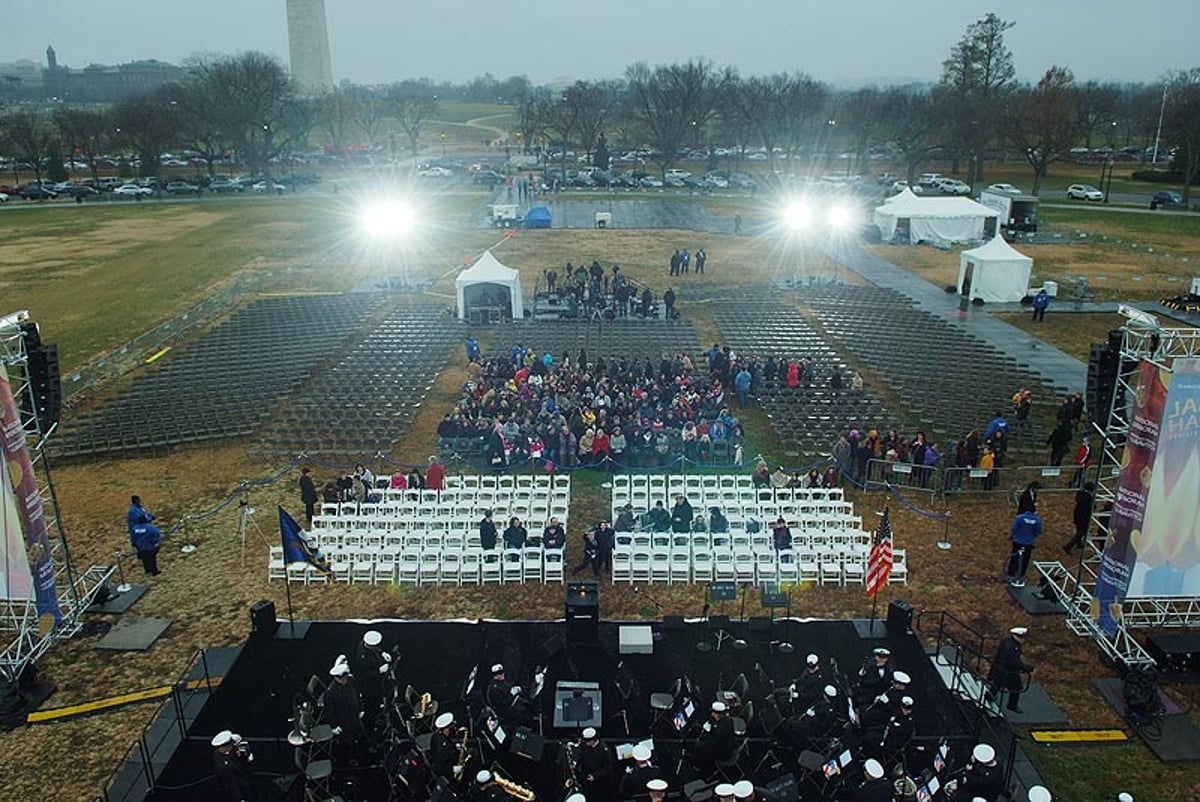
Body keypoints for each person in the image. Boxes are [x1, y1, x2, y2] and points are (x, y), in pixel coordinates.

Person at [321, 656, 362, 763]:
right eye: (342, 679)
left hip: (354, 714)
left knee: (358, 734)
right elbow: (329, 711)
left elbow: (357, 695)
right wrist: (334, 726)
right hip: (343, 721)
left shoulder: (351, 681)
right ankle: (349, 759)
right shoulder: (330, 693)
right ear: (336, 678)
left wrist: (361, 708)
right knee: (346, 742)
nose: (345, 680)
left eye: (345, 678)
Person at [987, 627, 1033, 713]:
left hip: (1001, 668)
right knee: (1016, 687)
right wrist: (1026, 668)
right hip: (1008, 671)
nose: (1023, 640)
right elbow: (1014, 662)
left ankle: (989, 696)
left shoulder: (1007, 641)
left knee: (997, 684)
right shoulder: (1012, 648)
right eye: (1021, 637)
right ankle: (1012, 705)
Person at [351, 630, 393, 722]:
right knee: (372, 704)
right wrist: (379, 670)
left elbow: (376, 649)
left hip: (376, 682)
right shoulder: (363, 657)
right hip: (369, 686)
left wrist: (382, 653)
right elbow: (365, 675)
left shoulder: (364, 643)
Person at [691, 701, 737, 775]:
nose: (712, 714)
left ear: (718, 715)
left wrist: (699, 743)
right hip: (728, 746)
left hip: (723, 754)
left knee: (700, 748)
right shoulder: (729, 720)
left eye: (713, 713)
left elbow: (711, 743)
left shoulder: (718, 730)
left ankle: (698, 767)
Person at [211, 730, 256, 802]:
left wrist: (246, 754)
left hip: (247, 783)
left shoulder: (231, 750)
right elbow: (231, 785)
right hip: (239, 789)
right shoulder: (223, 765)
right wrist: (240, 799)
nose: (233, 745)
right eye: (230, 745)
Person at [575, 726, 615, 801]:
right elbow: (581, 755)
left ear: (593, 740)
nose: (586, 743)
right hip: (586, 780)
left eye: (587, 741)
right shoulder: (584, 747)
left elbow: (608, 768)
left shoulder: (604, 750)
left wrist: (595, 776)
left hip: (600, 783)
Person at [1007, 507, 1043, 587]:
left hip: (1018, 541)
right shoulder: (1037, 520)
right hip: (1028, 542)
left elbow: (1014, 528)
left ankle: (1011, 571)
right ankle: (1021, 573)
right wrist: (1033, 536)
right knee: (1025, 558)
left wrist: (1013, 535)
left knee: (1015, 556)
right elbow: (1038, 531)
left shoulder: (1019, 518)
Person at [127, 495, 162, 576]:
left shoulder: (135, 529)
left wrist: (135, 544)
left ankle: (147, 570)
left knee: (145, 558)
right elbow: (156, 534)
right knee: (152, 559)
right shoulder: (150, 528)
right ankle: (154, 571)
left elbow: (133, 538)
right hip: (149, 546)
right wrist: (155, 543)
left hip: (140, 545)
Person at [428, 712, 460, 783]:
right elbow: (439, 768)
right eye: (452, 726)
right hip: (447, 772)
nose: (454, 728)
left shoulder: (436, 735)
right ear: (447, 728)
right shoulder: (444, 748)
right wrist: (452, 769)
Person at [1064, 481, 1095, 553]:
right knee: (1082, 531)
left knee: (1079, 530)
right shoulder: (1089, 498)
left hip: (1077, 515)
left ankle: (1079, 544)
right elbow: (1091, 507)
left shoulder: (1080, 494)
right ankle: (1068, 546)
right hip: (1084, 517)